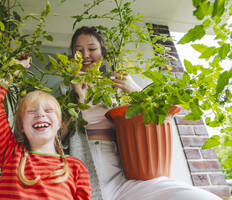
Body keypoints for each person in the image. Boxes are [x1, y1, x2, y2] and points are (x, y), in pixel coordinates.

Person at [67, 26, 221, 200]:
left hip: (127, 174)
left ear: (103, 53)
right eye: (79, 51)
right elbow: (59, 135)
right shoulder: (67, 90)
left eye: (92, 49)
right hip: (87, 166)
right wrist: (78, 99)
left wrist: (135, 90)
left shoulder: (117, 85)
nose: (86, 55)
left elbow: (158, 118)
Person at [0, 57, 91, 200]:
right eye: (31, 111)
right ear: (21, 126)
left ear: (60, 123)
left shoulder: (76, 168)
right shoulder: (11, 153)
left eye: (49, 110)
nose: (40, 114)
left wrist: (80, 97)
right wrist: (12, 70)